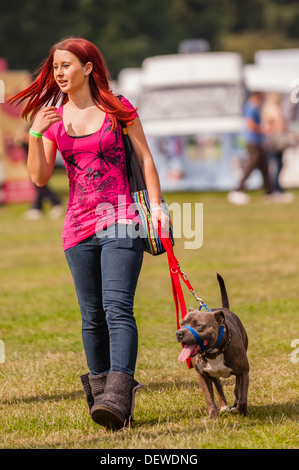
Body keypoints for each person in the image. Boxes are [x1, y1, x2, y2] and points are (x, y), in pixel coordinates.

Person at [9, 36, 169, 430]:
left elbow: (145, 158)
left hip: (121, 217)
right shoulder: (54, 119)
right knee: (91, 316)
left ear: (88, 68)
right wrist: (35, 133)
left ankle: (118, 395)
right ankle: (104, 400)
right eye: (55, 67)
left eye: (66, 65)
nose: (59, 73)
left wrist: (158, 206)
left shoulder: (118, 108)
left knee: (117, 308)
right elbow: (39, 175)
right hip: (77, 226)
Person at [228, 91, 273, 205]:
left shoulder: (253, 106)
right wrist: (262, 129)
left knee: (264, 167)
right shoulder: (252, 106)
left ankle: (269, 192)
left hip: (257, 141)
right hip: (253, 141)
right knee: (250, 166)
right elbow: (251, 124)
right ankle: (238, 189)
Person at [261, 92, 295, 203]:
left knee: (273, 164)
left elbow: (265, 128)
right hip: (277, 141)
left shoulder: (266, 109)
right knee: (279, 164)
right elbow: (281, 124)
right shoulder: (275, 109)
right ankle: (276, 189)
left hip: (269, 141)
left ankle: (273, 189)